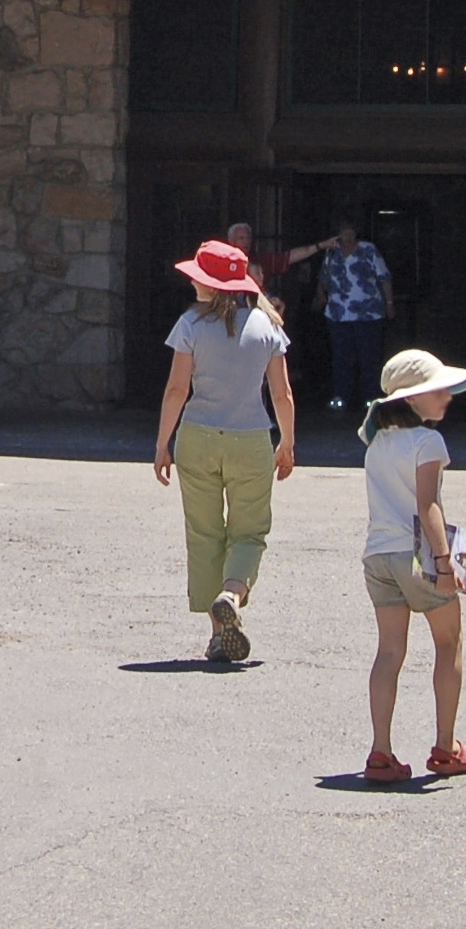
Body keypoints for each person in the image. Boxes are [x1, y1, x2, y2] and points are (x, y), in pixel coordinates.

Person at [150, 240, 296, 663]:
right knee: (250, 531)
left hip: (196, 435)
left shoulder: (190, 325)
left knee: (204, 533)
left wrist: (163, 444)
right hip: (251, 437)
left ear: (210, 286)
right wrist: (286, 443)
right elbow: (281, 394)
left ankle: (218, 635)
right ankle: (232, 594)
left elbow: (177, 389)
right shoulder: (268, 327)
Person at [359, 349, 466, 783]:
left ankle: (380, 751)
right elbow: (426, 504)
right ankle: (446, 746)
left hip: (378, 554)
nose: (446, 395)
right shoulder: (428, 443)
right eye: (437, 390)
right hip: (418, 554)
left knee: (390, 651)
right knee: (449, 643)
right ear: (412, 400)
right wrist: (446, 561)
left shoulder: (376, 443)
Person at [318, 222, 392, 411]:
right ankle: (341, 396)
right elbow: (323, 278)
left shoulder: (369, 250)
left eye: (351, 233)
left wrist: (389, 303)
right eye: (344, 234)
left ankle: (371, 397)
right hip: (338, 314)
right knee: (341, 357)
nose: (348, 238)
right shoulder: (331, 252)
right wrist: (321, 296)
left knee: (369, 357)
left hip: (368, 313)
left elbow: (384, 277)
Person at [223, 222, 322, 295]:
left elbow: (289, 257)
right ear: (231, 240)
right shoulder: (222, 261)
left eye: (248, 238)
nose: (246, 242)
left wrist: (321, 246)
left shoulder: (260, 260)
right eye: (241, 238)